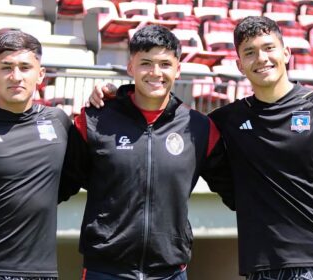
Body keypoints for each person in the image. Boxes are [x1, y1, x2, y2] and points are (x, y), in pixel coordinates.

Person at [88, 16, 313, 280]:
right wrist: (117, 97)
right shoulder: (226, 120)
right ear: (240, 65)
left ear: (286, 53)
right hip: (263, 265)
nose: (261, 58)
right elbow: (171, 121)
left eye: (268, 48)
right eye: (250, 53)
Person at [58, 24, 235, 280]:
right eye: (146, 63)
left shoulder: (199, 128)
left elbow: (236, 190)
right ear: (131, 67)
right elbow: (59, 186)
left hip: (170, 272)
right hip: (105, 270)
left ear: (177, 69)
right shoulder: (94, 121)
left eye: (164, 64)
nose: (155, 72)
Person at [0, 30, 72, 279]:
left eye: (25, 67)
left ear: (40, 74)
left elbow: (72, 180)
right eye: (6, 67)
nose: (16, 76)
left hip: (41, 272)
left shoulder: (58, 122)